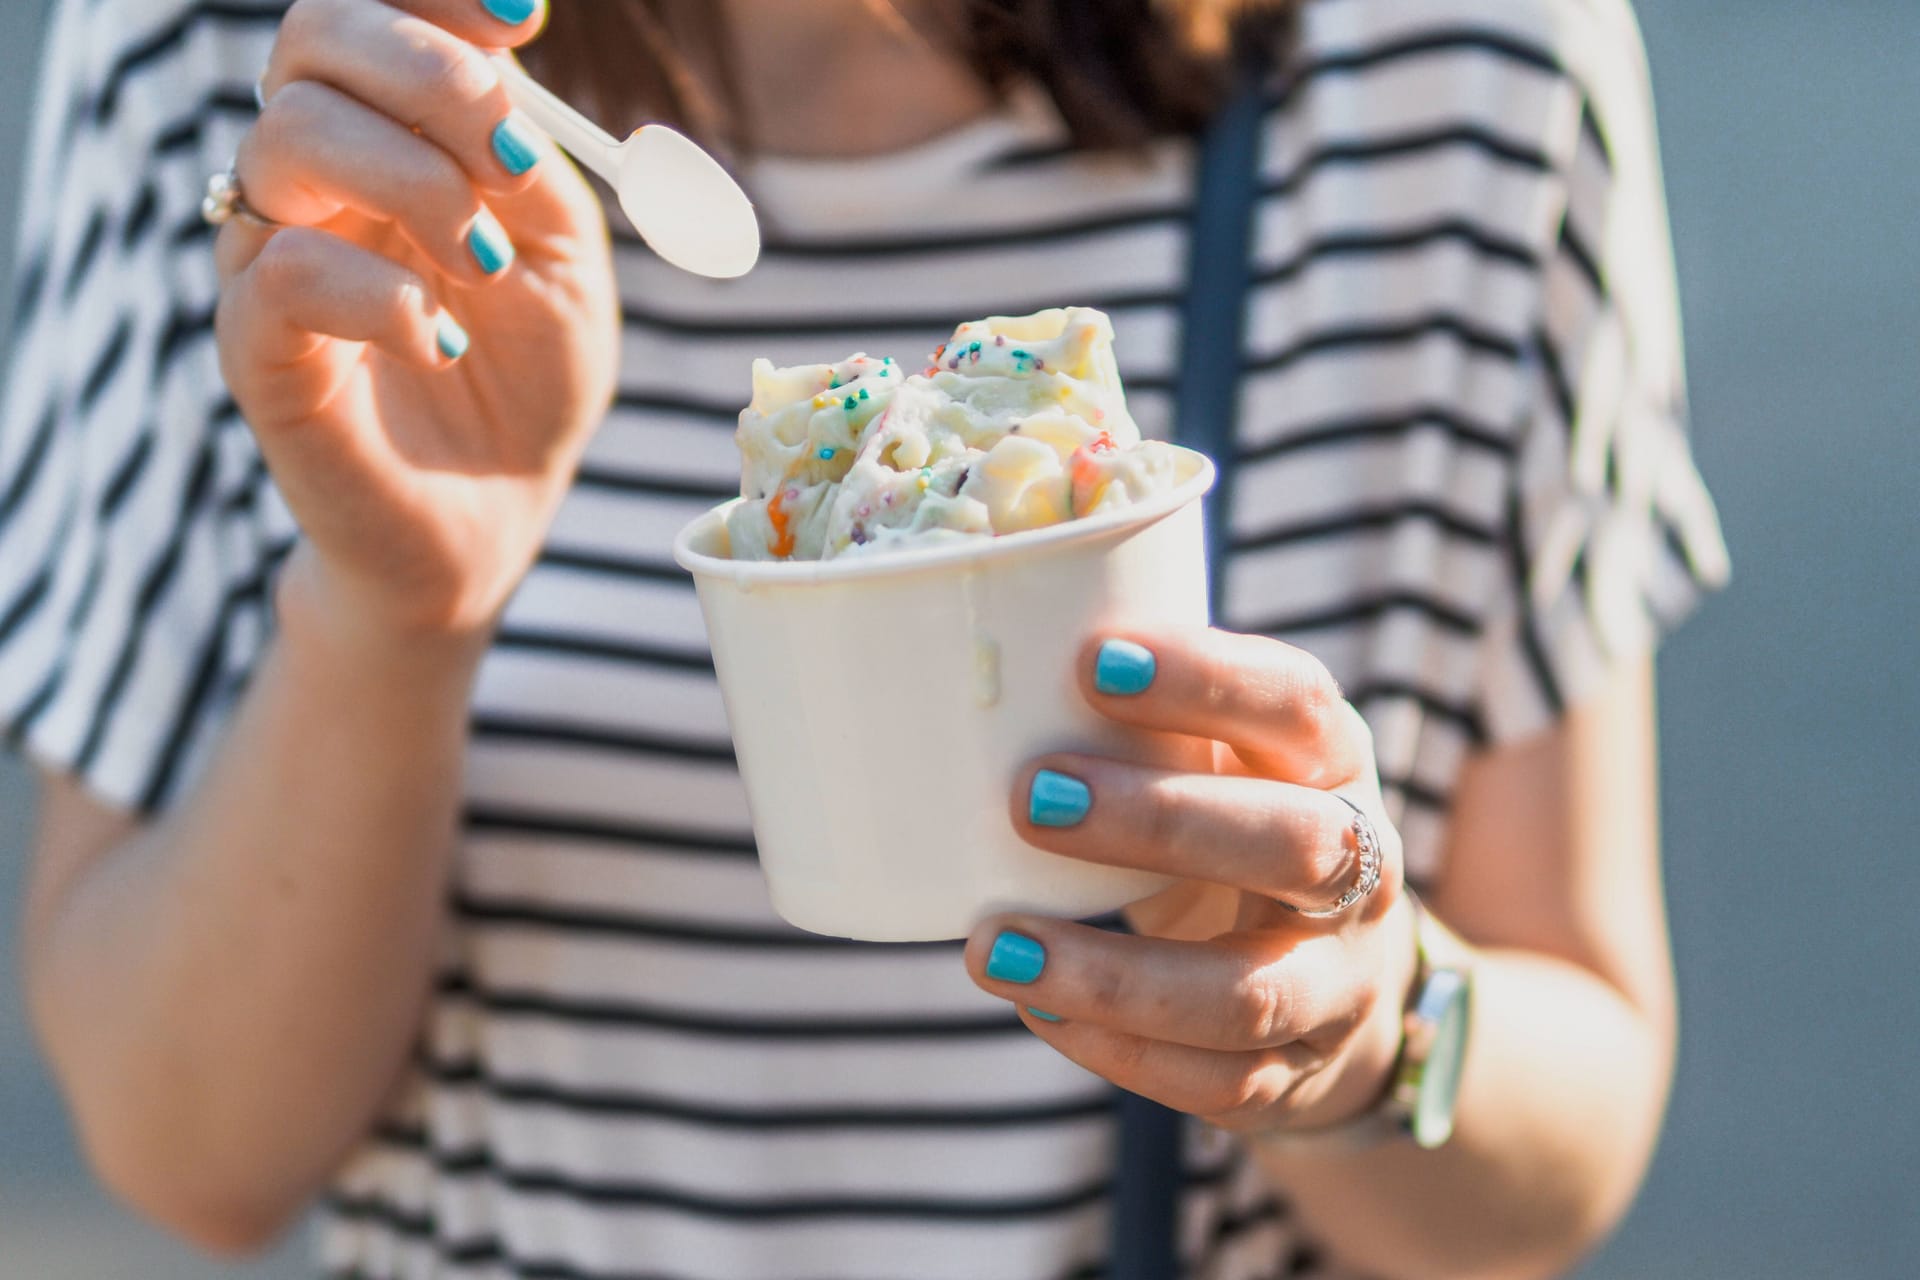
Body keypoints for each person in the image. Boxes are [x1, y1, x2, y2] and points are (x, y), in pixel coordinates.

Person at [0, 0, 1730, 1276]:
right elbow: (190, 1148)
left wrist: (1366, 1031)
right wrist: (392, 619)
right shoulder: (256, 72)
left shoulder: (1464, 69)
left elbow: (1565, 1133)